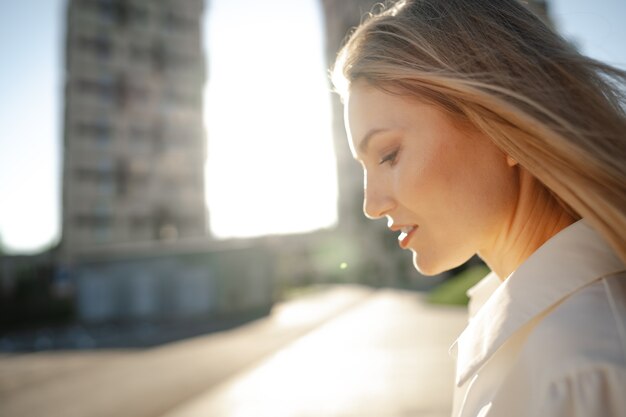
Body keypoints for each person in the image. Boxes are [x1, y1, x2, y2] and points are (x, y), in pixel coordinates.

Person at [330, 0, 626, 416]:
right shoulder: (538, 336)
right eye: (364, 168)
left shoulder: (581, 372)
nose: (371, 205)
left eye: (389, 155)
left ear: (504, 125)